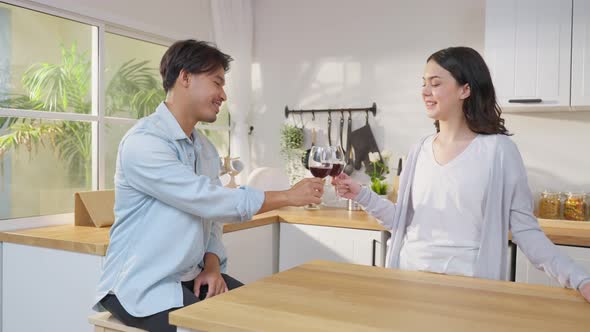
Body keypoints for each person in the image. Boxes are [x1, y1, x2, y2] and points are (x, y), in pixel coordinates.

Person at [93, 39, 324, 332]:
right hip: (142, 285)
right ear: (185, 78)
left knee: (266, 317)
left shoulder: (205, 149)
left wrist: (213, 267)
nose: (223, 95)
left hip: (192, 276)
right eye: (217, 82)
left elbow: (212, 220)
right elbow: (208, 200)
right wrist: (288, 196)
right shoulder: (144, 143)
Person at [333, 46, 590, 302]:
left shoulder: (498, 151)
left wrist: (580, 279)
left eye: (435, 83)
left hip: (471, 289)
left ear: (465, 89)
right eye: (423, 83)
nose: (425, 91)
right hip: (410, 282)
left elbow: (526, 231)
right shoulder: (419, 150)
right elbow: (404, 223)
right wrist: (361, 195)